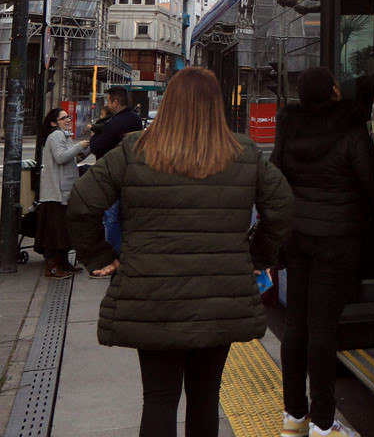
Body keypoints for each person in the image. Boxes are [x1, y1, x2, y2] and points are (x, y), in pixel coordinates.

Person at [66, 67, 293, 437]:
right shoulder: (243, 152)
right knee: (205, 397)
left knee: (158, 397)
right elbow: (281, 206)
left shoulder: (133, 149)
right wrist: (257, 257)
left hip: (152, 296)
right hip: (219, 296)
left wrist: (100, 256)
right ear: (215, 106)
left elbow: (80, 203)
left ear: (169, 103)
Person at [272, 66, 374, 437]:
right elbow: (371, 183)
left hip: (296, 238)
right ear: (333, 90)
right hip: (338, 242)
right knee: (323, 328)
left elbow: (275, 177)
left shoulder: (289, 126)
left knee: (296, 325)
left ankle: (294, 418)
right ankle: (324, 424)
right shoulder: (351, 128)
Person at [88, 86, 143, 258]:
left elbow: (97, 147)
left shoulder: (114, 123)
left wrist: (94, 135)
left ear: (115, 102)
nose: (107, 104)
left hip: (112, 175)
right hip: (131, 173)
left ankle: (112, 255)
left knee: (110, 217)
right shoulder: (134, 119)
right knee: (124, 216)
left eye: (108, 100)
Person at [37, 108, 89, 279]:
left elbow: (71, 159)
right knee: (56, 230)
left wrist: (88, 147)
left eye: (68, 116)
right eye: (64, 117)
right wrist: (79, 146)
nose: (68, 119)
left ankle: (63, 263)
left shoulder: (62, 135)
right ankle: (52, 267)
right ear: (54, 122)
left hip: (63, 191)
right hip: (57, 193)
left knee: (63, 230)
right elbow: (60, 157)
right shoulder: (56, 136)